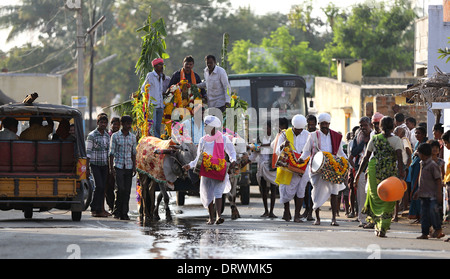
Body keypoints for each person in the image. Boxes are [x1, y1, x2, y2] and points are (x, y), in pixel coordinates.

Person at [355, 116, 405, 237]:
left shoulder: (375, 139)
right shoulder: (397, 140)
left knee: (375, 198)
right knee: (389, 198)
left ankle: (377, 224)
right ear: (393, 127)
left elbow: (365, 158)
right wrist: (401, 175)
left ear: (380, 127)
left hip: (374, 171)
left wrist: (357, 175)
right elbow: (399, 158)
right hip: (390, 172)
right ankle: (383, 226)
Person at [183, 115, 237, 225]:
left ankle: (218, 216)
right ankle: (211, 218)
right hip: (206, 171)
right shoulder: (203, 140)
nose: (205, 127)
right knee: (208, 195)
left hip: (219, 170)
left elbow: (231, 152)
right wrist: (190, 165)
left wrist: (233, 160)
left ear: (213, 127)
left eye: (206, 126)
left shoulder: (224, 139)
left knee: (218, 193)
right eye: (205, 125)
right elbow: (199, 157)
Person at [299, 113, 348, 226]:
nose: (325, 126)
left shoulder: (336, 136)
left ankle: (334, 219)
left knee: (334, 193)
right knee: (316, 192)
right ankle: (317, 218)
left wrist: (347, 163)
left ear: (329, 124)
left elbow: (340, 152)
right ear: (319, 124)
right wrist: (302, 159)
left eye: (326, 123)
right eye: (322, 124)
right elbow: (307, 151)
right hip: (317, 169)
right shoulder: (312, 136)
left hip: (333, 168)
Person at [275, 115, 310, 222]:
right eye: (297, 129)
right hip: (287, 167)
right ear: (293, 126)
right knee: (285, 189)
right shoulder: (285, 135)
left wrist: (301, 165)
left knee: (301, 190)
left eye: (301, 129)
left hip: (303, 166)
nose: (299, 131)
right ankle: (286, 211)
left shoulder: (308, 135)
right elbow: (277, 151)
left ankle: (297, 215)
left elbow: (310, 151)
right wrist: (282, 146)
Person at [414, 143, 445, 239]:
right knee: (424, 214)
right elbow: (421, 179)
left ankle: (438, 228)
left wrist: (439, 193)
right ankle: (425, 232)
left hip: (433, 194)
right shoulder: (422, 164)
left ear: (423, 154)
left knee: (433, 212)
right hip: (424, 194)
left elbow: (438, 179)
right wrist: (418, 191)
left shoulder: (433, 165)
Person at [110, 115, 137, 220]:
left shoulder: (133, 137)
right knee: (120, 189)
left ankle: (124, 213)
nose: (127, 126)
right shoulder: (115, 136)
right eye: (126, 124)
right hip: (119, 166)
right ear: (122, 124)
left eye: (129, 124)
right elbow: (111, 153)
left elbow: (133, 153)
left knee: (127, 191)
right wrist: (111, 167)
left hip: (129, 166)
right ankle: (117, 210)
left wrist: (134, 167)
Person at [250, 120, 278, 218]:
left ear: (271, 128)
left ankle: (272, 211)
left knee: (273, 189)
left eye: (267, 128)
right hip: (262, 167)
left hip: (272, 166)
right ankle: (266, 210)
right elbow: (254, 153)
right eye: (263, 128)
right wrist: (247, 160)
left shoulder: (275, 139)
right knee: (263, 189)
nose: (265, 130)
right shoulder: (259, 139)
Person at [349, 117, 372, 227]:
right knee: (361, 195)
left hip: (372, 168)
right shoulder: (358, 137)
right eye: (361, 126)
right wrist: (363, 142)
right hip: (361, 170)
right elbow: (353, 152)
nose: (363, 128)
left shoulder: (375, 136)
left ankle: (372, 218)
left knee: (371, 195)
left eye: (365, 125)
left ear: (370, 125)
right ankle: (362, 218)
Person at [86, 114, 111, 218]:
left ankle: (99, 209)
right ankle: (94, 208)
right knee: (99, 186)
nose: (103, 124)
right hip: (95, 164)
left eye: (105, 123)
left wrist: (110, 167)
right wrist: (87, 168)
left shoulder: (107, 136)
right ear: (98, 123)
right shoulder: (92, 135)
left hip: (104, 164)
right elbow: (88, 152)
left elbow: (108, 152)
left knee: (102, 187)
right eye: (102, 122)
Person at [141, 58, 170, 139]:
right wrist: (147, 100)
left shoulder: (161, 76)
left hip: (160, 105)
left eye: (162, 64)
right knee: (152, 127)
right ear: (155, 66)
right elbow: (143, 89)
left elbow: (159, 90)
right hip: (153, 105)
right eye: (160, 65)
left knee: (158, 127)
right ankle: (153, 141)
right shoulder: (150, 75)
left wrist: (164, 93)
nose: (162, 67)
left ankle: (157, 140)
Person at [407, 126, 428, 223]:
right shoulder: (417, 144)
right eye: (416, 133)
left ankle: (421, 215)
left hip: (420, 171)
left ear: (423, 134)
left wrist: (417, 154)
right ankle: (416, 215)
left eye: (419, 133)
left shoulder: (424, 144)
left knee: (418, 190)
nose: (416, 135)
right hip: (414, 170)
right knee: (413, 190)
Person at [392, 126, 412, 222]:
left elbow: (409, 154)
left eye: (397, 131)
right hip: (396, 166)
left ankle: (399, 212)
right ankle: (397, 212)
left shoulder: (403, 140)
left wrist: (406, 168)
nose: (395, 133)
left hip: (402, 167)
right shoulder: (397, 141)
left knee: (400, 189)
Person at [301, 114, 317, 220]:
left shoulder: (317, 134)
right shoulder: (303, 134)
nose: (311, 127)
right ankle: (306, 209)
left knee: (313, 189)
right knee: (304, 189)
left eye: (313, 125)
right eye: (309, 125)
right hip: (304, 164)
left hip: (316, 165)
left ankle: (311, 211)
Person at [105, 116, 121, 212]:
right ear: (111, 125)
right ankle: (111, 206)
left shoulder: (121, 136)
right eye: (114, 124)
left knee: (118, 187)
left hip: (119, 164)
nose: (116, 126)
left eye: (118, 125)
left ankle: (117, 207)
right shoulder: (107, 135)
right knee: (109, 187)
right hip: (108, 164)